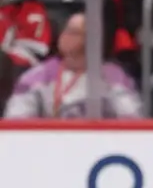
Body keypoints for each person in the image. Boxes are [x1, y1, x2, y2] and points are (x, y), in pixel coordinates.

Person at [3, 11, 142, 118]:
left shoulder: (114, 76)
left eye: (74, 33)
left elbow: (132, 117)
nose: (65, 36)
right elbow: (16, 119)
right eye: (66, 30)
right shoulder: (36, 76)